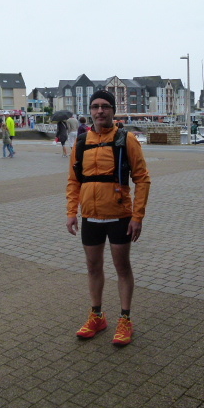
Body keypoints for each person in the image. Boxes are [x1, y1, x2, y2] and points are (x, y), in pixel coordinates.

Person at [66, 90, 151, 346]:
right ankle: (97, 316)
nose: (100, 111)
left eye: (105, 106)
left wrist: (138, 216)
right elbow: (74, 180)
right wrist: (71, 212)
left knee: (122, 268)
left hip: (119, 216)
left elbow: (142, 179)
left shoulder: (127, 139)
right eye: (95, 106)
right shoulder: (82, 142)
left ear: (113, 110)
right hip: (90, 216)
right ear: (90, 110)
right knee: (93, 268)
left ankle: (125, 319)